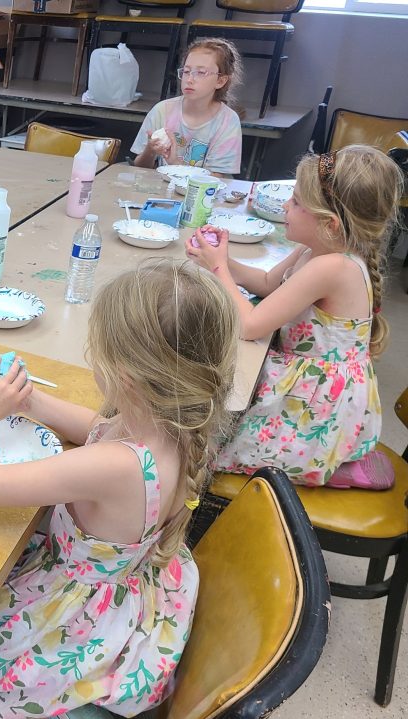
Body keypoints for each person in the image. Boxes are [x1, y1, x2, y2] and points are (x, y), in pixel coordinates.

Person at [0, 260, 238, 717]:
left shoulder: (115, 467)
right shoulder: (171, 422)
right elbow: (98, 428)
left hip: (74, 619)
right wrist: (28, 400)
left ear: (125, 377)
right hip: (122, 590)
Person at [187, 145, 404, 489]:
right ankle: (331, 456)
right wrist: (223, 261)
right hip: (304, 382)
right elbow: (268, 283)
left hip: (315, 405)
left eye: (298, 202)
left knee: (211, 453)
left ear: (329, 223)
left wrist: (216, 268)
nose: (286, 206)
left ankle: (328, 464)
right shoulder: (316, 249)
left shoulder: (333, 266)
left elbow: (250, 324)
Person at [131, 38, 244, 177]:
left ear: (220, 81)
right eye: (186, 71)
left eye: (201, 73)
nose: (189, 79)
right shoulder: (162, 110)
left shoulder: (228, 121)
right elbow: (140, 168)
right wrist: (150, 149)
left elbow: (216, 179)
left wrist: (175, 163)